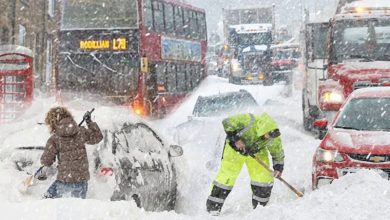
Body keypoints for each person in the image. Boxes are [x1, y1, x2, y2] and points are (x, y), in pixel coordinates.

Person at [206, 112, 285, 215]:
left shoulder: (273, 136)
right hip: (234, 151)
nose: (268, 138)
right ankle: (213, 208)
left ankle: (261, 210)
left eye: (270, 137)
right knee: (226, 177)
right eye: (267, 135)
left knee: (263, 178)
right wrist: (236, 139)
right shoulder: (249, 120)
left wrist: (278, 167)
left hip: (257, 152)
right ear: (263, 129)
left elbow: (277, 151)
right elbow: (227, 122)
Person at [38, 106, 103, 199]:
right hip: (81, 182)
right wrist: (89, 122)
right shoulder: (81, 132)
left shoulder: (55, 139)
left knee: (46, 203)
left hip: (64, 180)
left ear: (52, 122)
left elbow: (46, 160)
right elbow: (98, 137)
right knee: (76, 209)